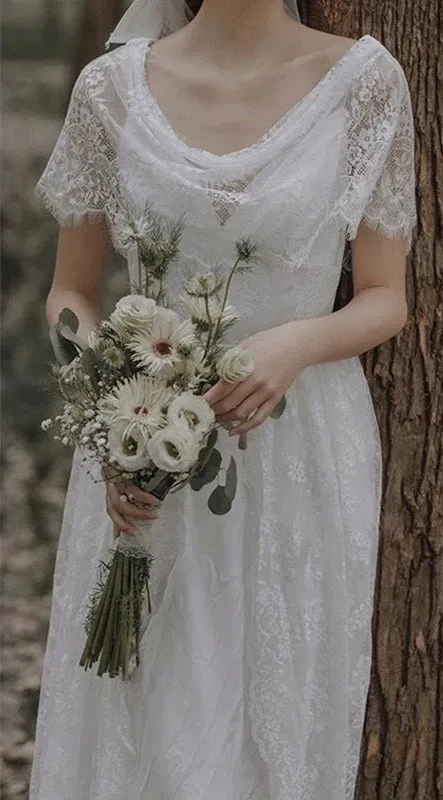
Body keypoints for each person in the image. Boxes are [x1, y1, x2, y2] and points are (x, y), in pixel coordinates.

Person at [29, 1, 417, 798]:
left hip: (300, 447)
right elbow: (71, 290)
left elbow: (385, 297)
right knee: (144, 715)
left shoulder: (365, 82)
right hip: (141, 457)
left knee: (270, 722)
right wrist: (113, 418)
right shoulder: (111, 89)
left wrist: (294, 344)